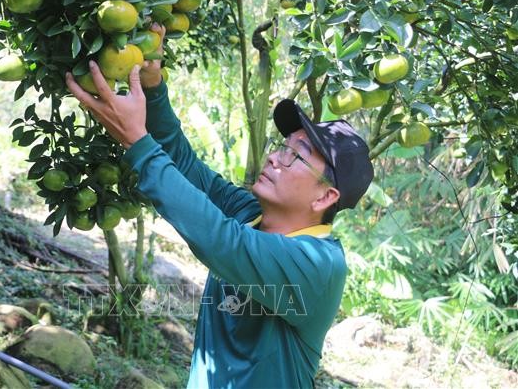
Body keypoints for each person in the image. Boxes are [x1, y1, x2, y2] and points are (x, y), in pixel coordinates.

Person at [65, 24, 374, 388]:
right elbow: (187, 167)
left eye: (296, 156)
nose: (276, 157)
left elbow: (222, 242)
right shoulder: (250, 215)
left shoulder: (319, 264)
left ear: (325, 197)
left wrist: (138, 141)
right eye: (283, 145)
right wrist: (153, 85)